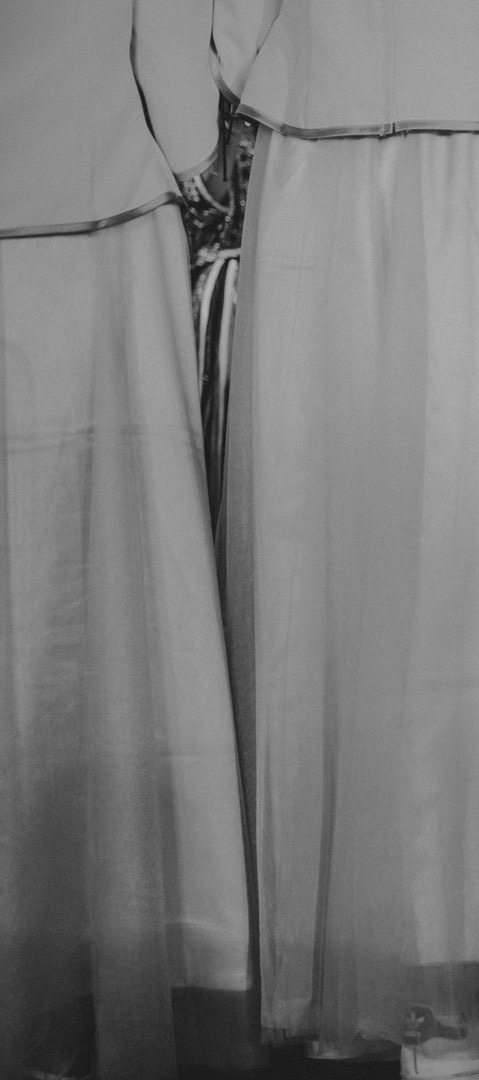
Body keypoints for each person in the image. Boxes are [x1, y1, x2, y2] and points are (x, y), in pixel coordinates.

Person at [213, 2, 479, 1075]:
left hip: (407, 107)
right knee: (398, 513)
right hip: (379, 101)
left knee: (461, 511)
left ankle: (466, 957)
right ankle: (424, 963)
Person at [0, 3, 257, 1079]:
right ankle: (114, 942)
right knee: (118, 589)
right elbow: (171, 56)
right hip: (102, 204)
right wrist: (204, 166)